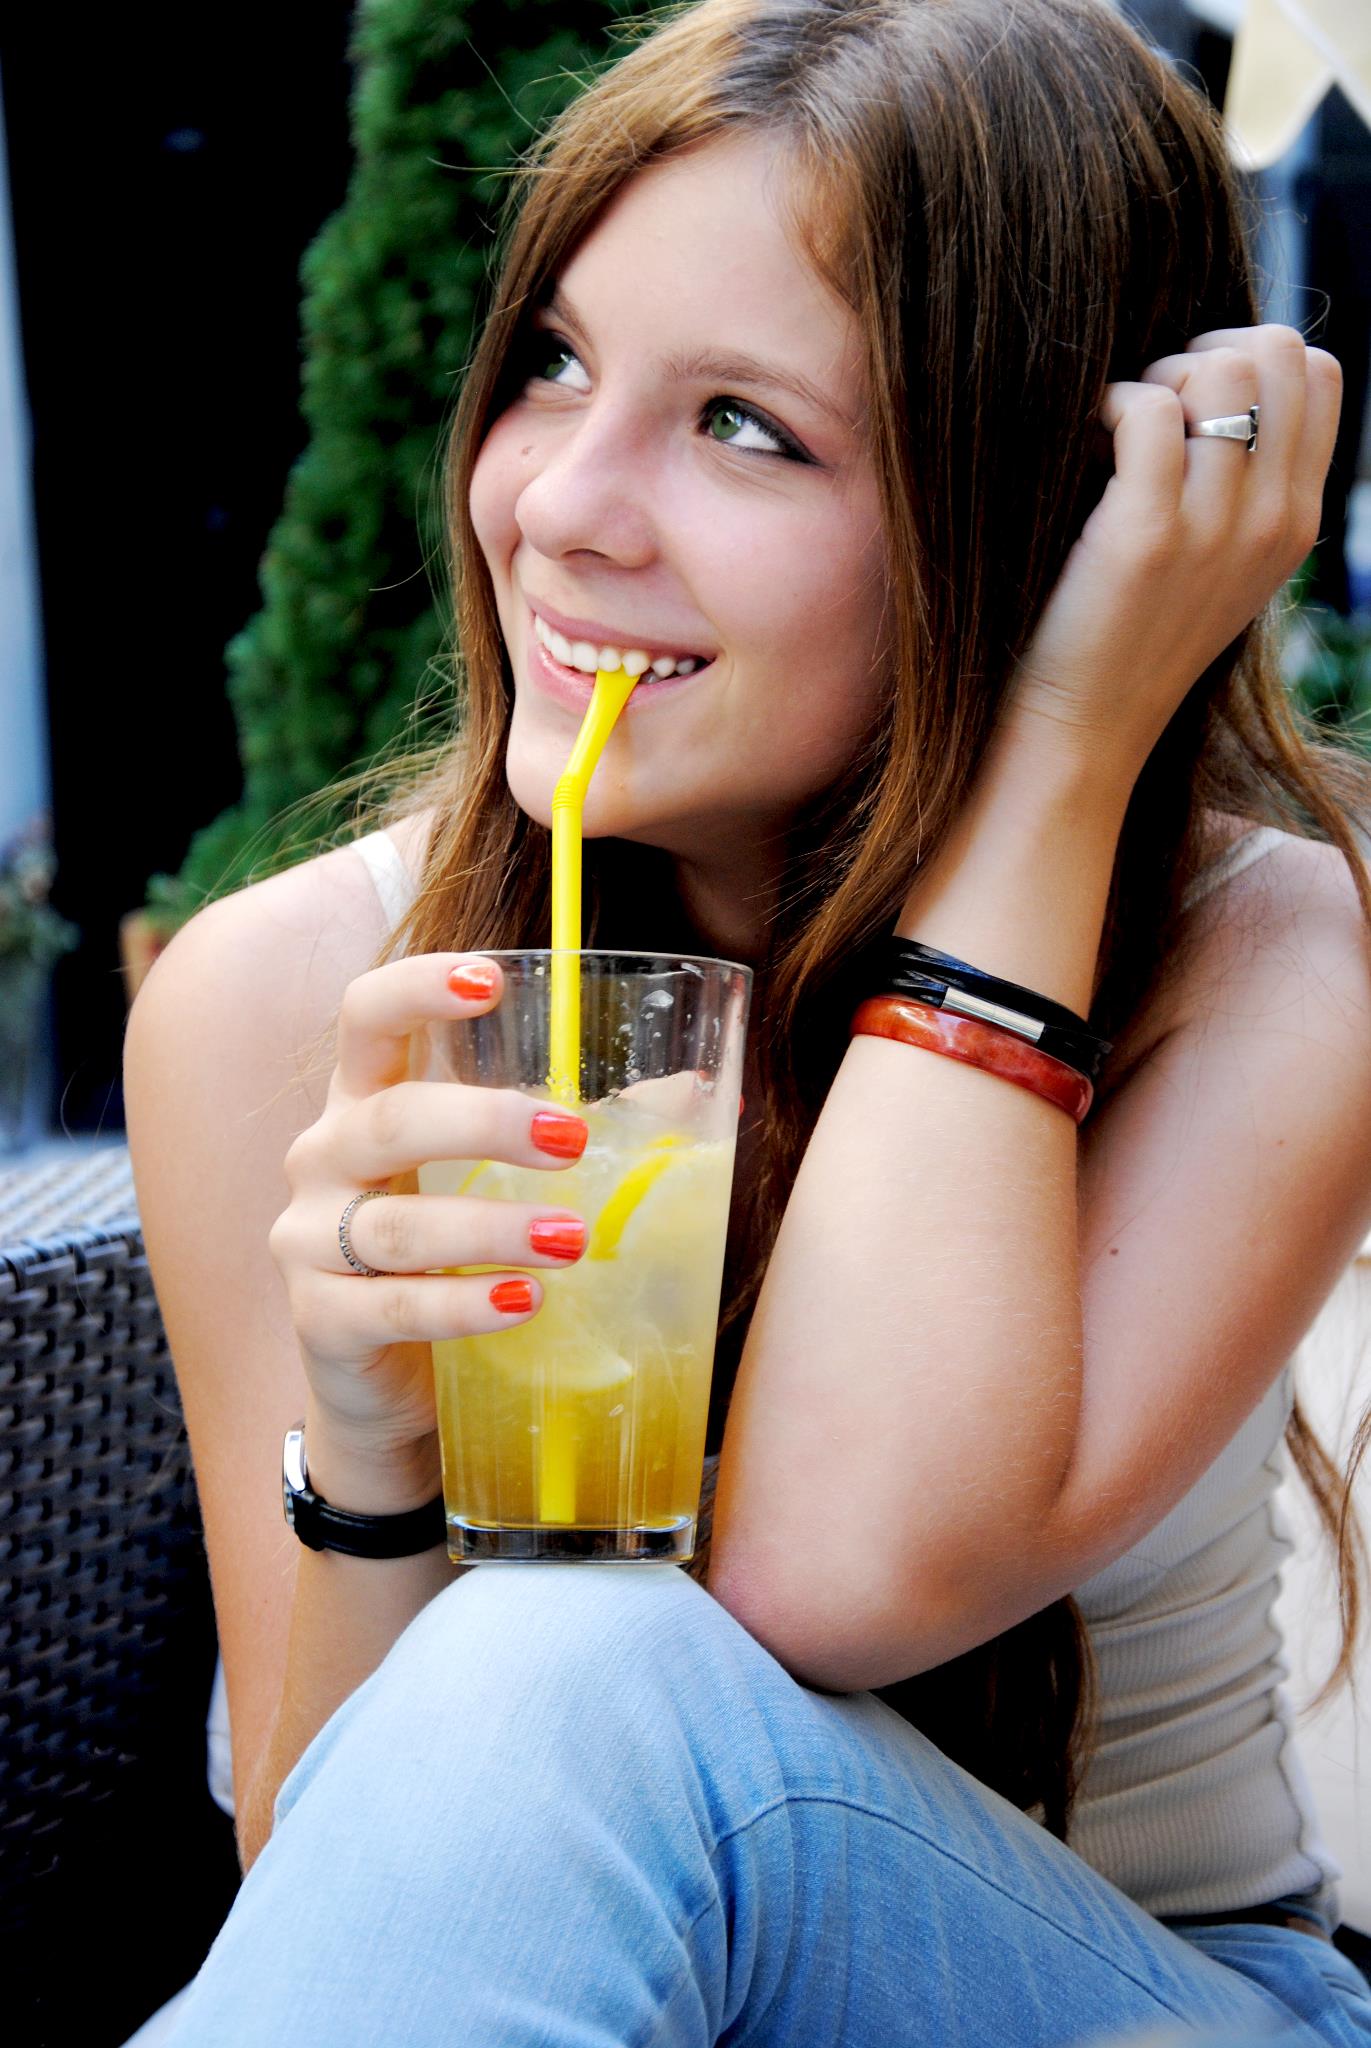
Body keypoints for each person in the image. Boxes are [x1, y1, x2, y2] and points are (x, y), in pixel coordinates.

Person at [122, 0, 1371, 2040]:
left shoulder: (1264, 956)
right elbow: (338, 1874)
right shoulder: (294, 995)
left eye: (743, 429)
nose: (559, 507)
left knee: (569, 1657)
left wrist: (1057, 744)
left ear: (1032, 528)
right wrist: (363, 1454)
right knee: (542, 1673)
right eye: (553, 362)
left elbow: (841, 1572)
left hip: (1136, 1995)